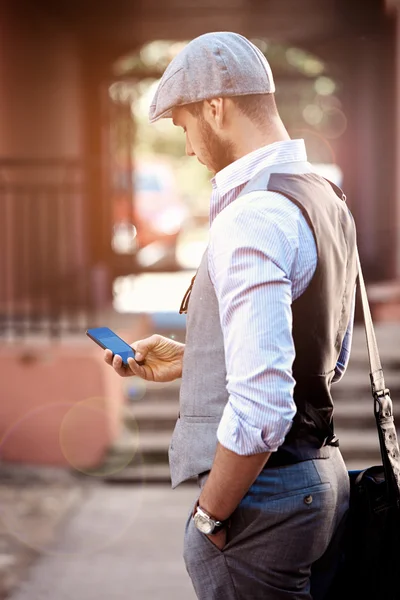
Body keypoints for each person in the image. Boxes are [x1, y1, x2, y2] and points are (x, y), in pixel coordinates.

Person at [104, 31, 358, 600]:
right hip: (322, 477)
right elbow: (326, 357)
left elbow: (266, 403)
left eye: (184, 124)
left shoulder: (252, 216)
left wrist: (210, 516)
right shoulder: (321, 196)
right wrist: (196, 361)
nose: (188, 145)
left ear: (215, 108)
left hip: (262, 503)